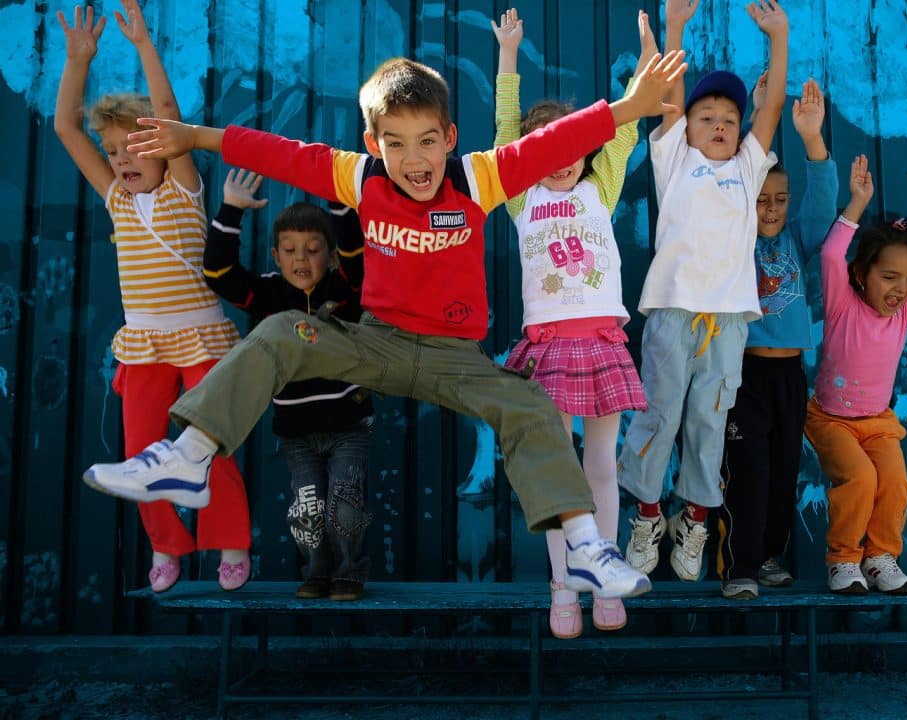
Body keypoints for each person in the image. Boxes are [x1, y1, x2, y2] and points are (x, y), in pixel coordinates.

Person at [83, 48, 690, 600]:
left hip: (455, 356)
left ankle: (586, 546)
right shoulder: (360, 177)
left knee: (529, 404)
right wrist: (195, 136)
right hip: (377, 342)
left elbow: (548, 146)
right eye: (395, 143)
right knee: (276, 334)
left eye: (427, 141)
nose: (414, 159)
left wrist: (629, 108)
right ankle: (189, 455)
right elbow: (280, 153)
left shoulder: (476, 178)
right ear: (374, 144)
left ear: (450, 138)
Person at [54, 2, 250, 593]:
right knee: (139, 454)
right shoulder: (116, 197)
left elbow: (168, 113)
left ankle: (231, 542)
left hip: (199, 335)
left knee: (208, 443)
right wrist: (77, 61)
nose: (121, 159)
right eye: (113, 150)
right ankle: (167, 544)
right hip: (143, 342)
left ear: (162, 148)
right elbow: (66, 128)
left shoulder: (185, 190)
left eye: (134, 147)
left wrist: (143, 45)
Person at [491, 8, 650, 637]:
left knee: (602, 467)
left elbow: (629, 121)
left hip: (602, 344)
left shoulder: (600, 186)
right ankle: (562, 584)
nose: (560, 160)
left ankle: (602, 575)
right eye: (544, 149)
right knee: (559, 473)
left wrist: (648, 53)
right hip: (550, 349)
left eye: (570, 148)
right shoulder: (522, 195)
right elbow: (505, 131)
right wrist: (509, 56)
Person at [618, 0, 786, 582]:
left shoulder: (746, 169)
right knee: (659, 415)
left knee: (708, 422)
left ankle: (693, 520)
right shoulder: (675, 160)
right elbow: (668, 96)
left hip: (728, 322)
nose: (718, 125)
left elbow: (771, 112)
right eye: (705, 115)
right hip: (671, 313)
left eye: (729, 119)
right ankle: (645, 517)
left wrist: (779, 38)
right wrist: (675, 28)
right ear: (685, 126)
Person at [203, 170, 374, 601]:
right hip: (295, 433)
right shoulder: (266, 294)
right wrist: (232, 209)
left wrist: (338, 204)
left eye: (314, 250)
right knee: (308, 510)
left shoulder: (347, 289)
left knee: (346, 503)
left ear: (330, 257)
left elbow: (359, 256)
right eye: (291, 251)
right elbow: (218, 272)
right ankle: (317, 572)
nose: (302, 259)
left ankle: (350, 573)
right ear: (276, 257)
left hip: (347, 425)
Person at [804, 156, 907, 594]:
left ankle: (879, 557)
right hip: (831, 419)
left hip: (878, 422)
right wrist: (857, 203)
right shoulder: (842, 303)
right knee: (861, 478)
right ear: (861, 275)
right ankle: (843, 560)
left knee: (894, 482)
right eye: (889, 276)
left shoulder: (906, 309)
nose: (902, 288)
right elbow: (834, 252)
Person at [716, 77, 838, 600]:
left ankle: (769, 556)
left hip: (790, 374)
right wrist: (759, 115)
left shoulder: (798, 237)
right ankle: (739, 565)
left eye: (780, 199)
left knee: (785, 467)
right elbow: (732, 179)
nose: (770, 208)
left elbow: (823, 198)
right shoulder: (733, 235)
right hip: (744, 371)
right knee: (749, 469)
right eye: (762, 199)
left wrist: (812, 138)